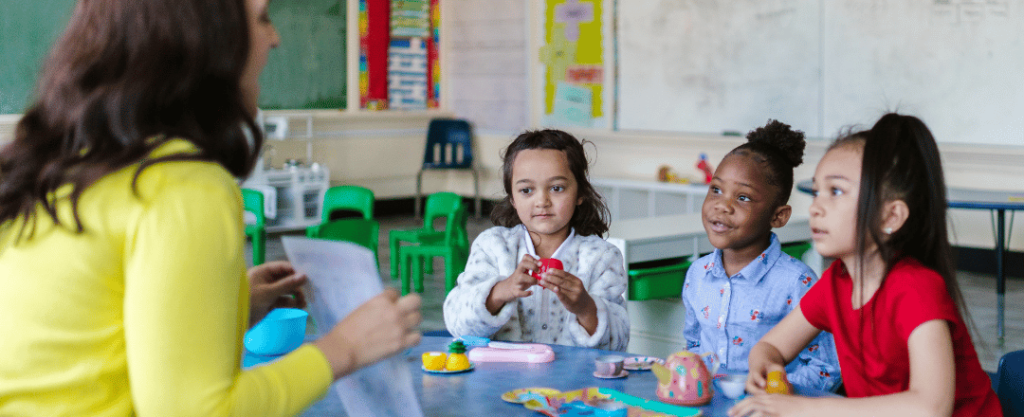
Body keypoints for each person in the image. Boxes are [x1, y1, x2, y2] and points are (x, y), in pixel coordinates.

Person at [0, 0, 422, 415]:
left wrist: (234, 306)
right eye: (263, 18)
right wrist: (344, 348)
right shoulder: (185, 186)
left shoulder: (63, 162)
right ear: (209, 35)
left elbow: (100, 342)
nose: (275, 38)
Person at [729, 114, 1002, 417]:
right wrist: (766, 367)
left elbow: (930, 408)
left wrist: (806, 408)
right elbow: (770, 347)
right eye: (817, 192)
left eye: (836, 191)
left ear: (891, 216)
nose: (816, 207)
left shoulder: (917, 288)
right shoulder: (835, 283)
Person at [682, 120, 841, 392]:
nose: (722, 206)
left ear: (778, 216)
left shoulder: (796, 282)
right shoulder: (697, 274)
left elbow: (826, 368)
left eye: (743, 197)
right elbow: (694, 346)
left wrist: (771, 391)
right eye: (716, 190)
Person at [443, 129, 629, 351]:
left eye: (557, 188)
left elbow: (619, 342)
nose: (542, 201)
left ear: (580, 193)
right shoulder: (492, 247)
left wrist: (586, 308)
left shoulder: (602, 257)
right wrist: (500, 291)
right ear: (512, 198)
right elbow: (457, 325)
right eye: (526, 190)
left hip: (573, 374)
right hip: (502, 373)